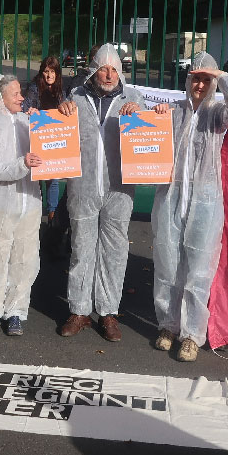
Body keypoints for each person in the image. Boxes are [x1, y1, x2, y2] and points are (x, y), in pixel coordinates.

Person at [57, 44, 165, 342]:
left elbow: (151, 131)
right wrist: (62, 111)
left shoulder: (133, 99)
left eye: (114, 69)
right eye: (103, 68)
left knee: (115, 250)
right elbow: (59, 135)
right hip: (83, 185)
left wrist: (141, 114)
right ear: (92, 70)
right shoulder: (75, 97)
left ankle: (108, 311)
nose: (108, 74)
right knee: (82, 248)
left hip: (120, 187)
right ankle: (79, 310)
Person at [152, 53, 228, 361]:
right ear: (188, 80)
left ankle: (192, 334)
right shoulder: (174, 111)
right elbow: (143, 129)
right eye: (196, 78)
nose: (200, 84)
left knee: (198, 270)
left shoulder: (218, 113)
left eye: (207, 80)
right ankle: (168, 325)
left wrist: (223, 75)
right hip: (170, 196)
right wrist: (147, 111)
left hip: (205, 199)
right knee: (167, 263)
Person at [0, 75, 44, 336]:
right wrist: (22, 164)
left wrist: (45, 126)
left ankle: (16, 311)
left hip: (30, 202)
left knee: (25, 259)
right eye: (15, 94)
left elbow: (50, 154)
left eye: (20, 93)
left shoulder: (28, 122)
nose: (21, 98)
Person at [23, 56, 70, 253]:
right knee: (36, 178)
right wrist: (30, 111)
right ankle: (35, 215)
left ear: (57, 73)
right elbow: (25, 109)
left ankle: (51, 215)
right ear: (41, 72)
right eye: (46, 71)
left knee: (53, 178)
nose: (49, 75)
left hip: (54, 140)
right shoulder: (34, 88)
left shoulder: (61, 90)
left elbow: (67, 109)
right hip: (37, 138)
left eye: (53, 71)